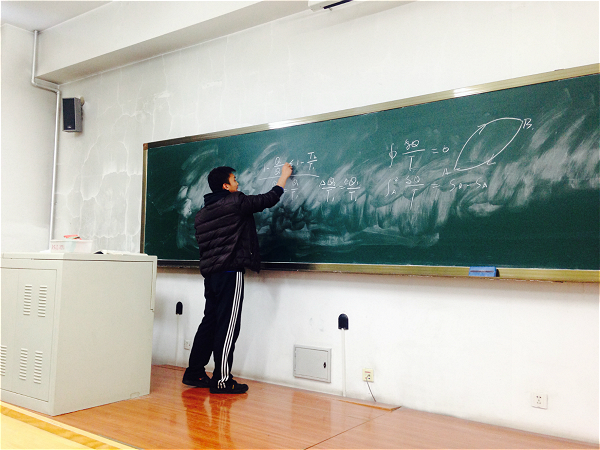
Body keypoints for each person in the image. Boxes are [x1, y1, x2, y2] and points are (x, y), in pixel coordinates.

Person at [182, 162, 293, 394]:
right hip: (230, 273)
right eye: (234, 179)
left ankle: (194, 372)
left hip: (211, 275)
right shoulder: (235, 202)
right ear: (225, 186)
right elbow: (268, 199)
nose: (238, 183)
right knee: (228, 326)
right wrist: (283, 177)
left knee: (210, 322)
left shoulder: (202, 214)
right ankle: (222, 380)